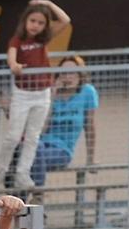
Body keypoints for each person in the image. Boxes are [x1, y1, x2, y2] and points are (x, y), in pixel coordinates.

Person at [0, 0, 69, 193]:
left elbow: (65, 20)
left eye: (40, 23)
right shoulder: (17, 40)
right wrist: (15, 66)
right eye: (33, 21)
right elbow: (11, 57)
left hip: (42, 94)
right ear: (25, 21)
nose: (35, 26)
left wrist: (47, 3)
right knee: (13, 136)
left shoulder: (42, 40)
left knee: (32, 137)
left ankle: (23, 172)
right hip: (22, 94)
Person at [34, 58, 98, 187]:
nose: (67, 77)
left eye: (72, 73)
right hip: (40, 144)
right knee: (29, 152)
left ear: (80, 75)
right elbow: (41, 130)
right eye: (63, 73)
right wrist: (52, 96)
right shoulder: (51, 93)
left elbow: (90, 126)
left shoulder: (87, 92)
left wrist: (90, 159)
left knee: (30, 157)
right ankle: (21, 201)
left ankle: (37, 192)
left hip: (62, 149)